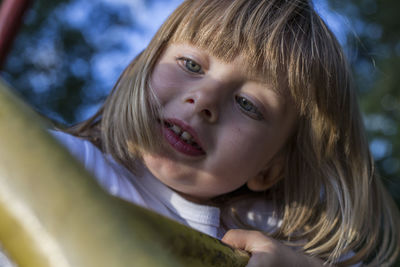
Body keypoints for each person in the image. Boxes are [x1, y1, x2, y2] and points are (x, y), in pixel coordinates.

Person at [51, 0, 399, 266]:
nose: (204, 99)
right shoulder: (66, 162)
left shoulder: (262, 231)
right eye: (191, 65)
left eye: (248, 104)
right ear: (138, 69)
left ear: (269, 168)